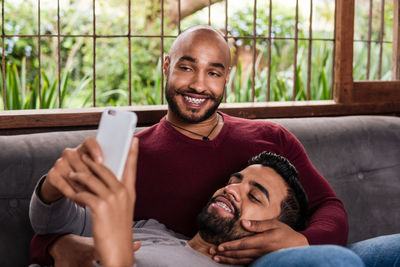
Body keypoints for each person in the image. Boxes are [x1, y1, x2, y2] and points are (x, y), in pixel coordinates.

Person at [29, 25, 399, 266]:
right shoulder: (131, 155)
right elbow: (67, 230)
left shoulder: (271, 138)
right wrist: (53, 244)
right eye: (187, 68)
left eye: (214, 72)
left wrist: (299, 240)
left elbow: (330, 208)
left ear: (227, 78)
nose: (199, 85)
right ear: (166, 66)